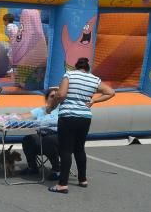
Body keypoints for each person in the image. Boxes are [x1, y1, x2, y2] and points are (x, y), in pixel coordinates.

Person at [49, 57, 116, 194]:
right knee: (79, 148)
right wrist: (94, 101)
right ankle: (82, 179)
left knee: (65, 150)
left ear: (75, 66)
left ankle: (62, 184)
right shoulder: (94, 79)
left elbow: (61, 94)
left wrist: (52, 106)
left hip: (68, 116)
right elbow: (111, 92)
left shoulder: (69, 75)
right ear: (87, 68)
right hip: (85, 117)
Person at [18, 87, 61, 179]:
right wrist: (8, 117)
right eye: (52, 96)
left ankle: (57, 170)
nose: (54, 98)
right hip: (42, 136)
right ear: (46, 98)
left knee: (48, 140)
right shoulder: (41, 110)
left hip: (58, 137)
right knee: (28, 139)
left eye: (56, 96)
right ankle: (32, 167)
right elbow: (24, 116)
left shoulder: (62, 109)